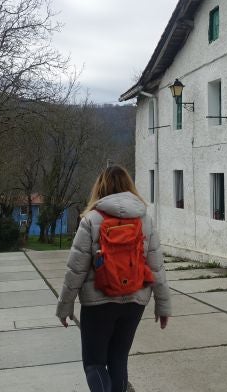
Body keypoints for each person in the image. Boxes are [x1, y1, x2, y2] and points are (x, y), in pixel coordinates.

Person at [57, 165, 171, 392]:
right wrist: (163, 305)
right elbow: (157, 267)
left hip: (98, 303)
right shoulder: (144, 220)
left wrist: (65, 305)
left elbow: (76, 269)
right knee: (118, 360)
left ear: (100, 187)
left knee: (94, 363)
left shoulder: (91, 220)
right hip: (134, 302)